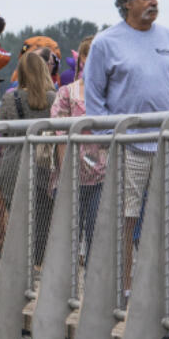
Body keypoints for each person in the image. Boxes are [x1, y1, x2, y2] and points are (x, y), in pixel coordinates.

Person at [84, 0, 169, 293]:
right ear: (126, 1)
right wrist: (109, 139)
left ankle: (157, 286)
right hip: (128, 145)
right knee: (125, 219)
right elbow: (94, 95)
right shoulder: (106, 43)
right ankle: (125, 289)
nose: (154, 2)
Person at [0, 51, 58, 264]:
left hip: (13, 163)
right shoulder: (52, 98)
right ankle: (39, 264)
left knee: (16, 216)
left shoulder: (9, 98)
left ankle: (16, 261)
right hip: (42, 165)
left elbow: (2, 131)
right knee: (42, 218)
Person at [51, 36, 106, 260]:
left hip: (103, 173)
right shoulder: (67, 92)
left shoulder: (110, 93)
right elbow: (59, 132)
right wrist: (66, 173)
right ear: (81, 58)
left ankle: (93, 285)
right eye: (89, 54)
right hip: (72, 174)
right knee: (68, 236)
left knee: (97, 232)